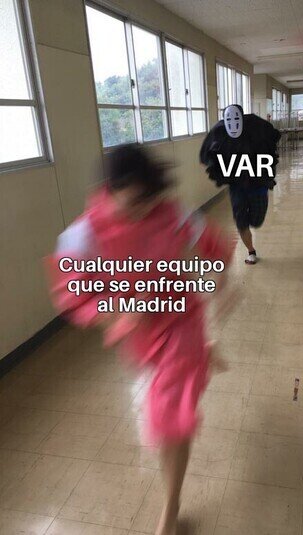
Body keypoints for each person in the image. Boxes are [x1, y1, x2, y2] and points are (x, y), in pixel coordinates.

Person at [46, 145, 234, 535]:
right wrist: (116, 311)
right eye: (132, 203)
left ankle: (170, 508)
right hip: (140, 334)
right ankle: (201, 357)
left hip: (181, 318)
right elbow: (73, 296)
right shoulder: (82, 235)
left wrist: (222, 280)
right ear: (109, 191)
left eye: (148, 202)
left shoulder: (172, 212)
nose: (142, 211)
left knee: (169, 416)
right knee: (171, 407)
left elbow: (215, 247)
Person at [200, 104, 281, 264]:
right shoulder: (219, 131)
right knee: (241, 222)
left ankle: (250, 222)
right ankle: (251, 251)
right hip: (236, 186)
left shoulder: (256, 125)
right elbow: (206, 154)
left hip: (257, 184)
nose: (233, 123)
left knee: (256, 221)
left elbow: (273, 136)